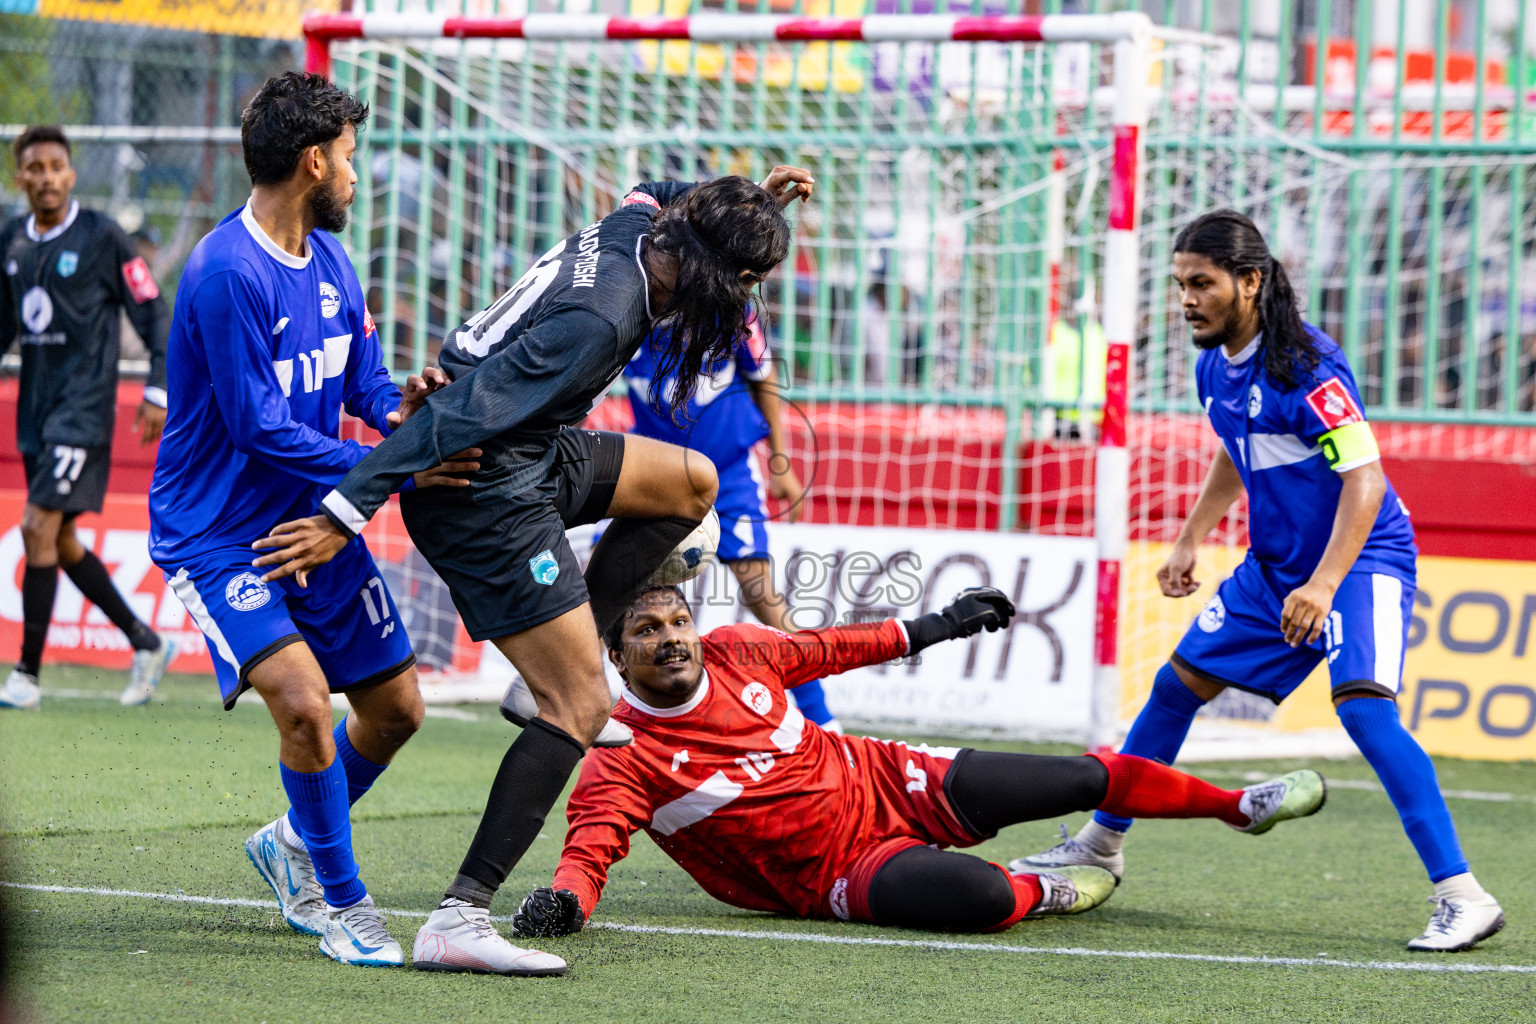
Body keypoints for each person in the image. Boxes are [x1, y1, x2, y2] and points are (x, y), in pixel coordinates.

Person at [251, 165, 817, 976]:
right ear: (714, 274)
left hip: (537, 449)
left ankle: (554, 665)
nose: (744, 303)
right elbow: (453, 414)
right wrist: (344, 515)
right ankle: (459, 916)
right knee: (582, 703)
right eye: (746, 283)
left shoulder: (640, 229)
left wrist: (752, 199)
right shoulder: (601, 318)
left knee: (694, 482)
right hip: (484, 489)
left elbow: (660, 187)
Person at [1017, 210, 1504, 954]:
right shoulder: (1214, 362)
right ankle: (1101, 843)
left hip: (1361, 557)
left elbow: (1365, 482)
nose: (1186, 298)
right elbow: (1233, 447)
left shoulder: (1309, 368)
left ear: (1250, 281)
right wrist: (1191, 535)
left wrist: (1325, 584)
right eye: (1179, 283)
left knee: (1367, 714)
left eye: (1202, 283)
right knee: (1176, 689)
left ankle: (1463, 896)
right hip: (1274, 570)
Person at [503, 583, 1325, 942]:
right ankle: (1052, 886)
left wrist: (943, 623)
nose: (672, 638)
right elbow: (590, 852)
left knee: (1087, 774)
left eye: (677, 621)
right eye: (647, 631)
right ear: (613, 655)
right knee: (984, 897)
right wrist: (564, 905)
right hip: (830, 871)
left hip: (885, 775)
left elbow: (837, 646)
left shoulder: (738, 651)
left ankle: (1234, 807)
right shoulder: (618, 756)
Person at [148, 72, 477, 967]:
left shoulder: (331, 260)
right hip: (219, 532)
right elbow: (260, 429)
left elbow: (359, 383)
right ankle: (341, 901)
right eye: (351, 158)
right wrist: (398, 469)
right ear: (312, 161)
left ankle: (290, 841)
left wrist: (400, 412)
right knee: (302, 706)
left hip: (313, 520)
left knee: (399, 711)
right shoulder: (225, 274)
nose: (357, 176)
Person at [0, 125, 178, 709]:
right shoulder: (11, 241)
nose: (47, 176)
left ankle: (25, 675)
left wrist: (157, 389)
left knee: (35, 526)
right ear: (20, 177)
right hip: (36, 410)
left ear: (71, 174)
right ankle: (146, 639)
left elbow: (153, 310)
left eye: (57, 166)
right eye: (36, 168)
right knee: (62, 538)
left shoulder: (102, 236)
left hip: (84, 410)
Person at [621, 308, 841, 731]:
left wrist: (779, 460)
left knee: (763, 596)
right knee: (614, 587)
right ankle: (592, 701)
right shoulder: (629, 310)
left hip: (729, 477)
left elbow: (763, 378)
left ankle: (823, 719)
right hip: (654, 474)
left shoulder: (735, 310)